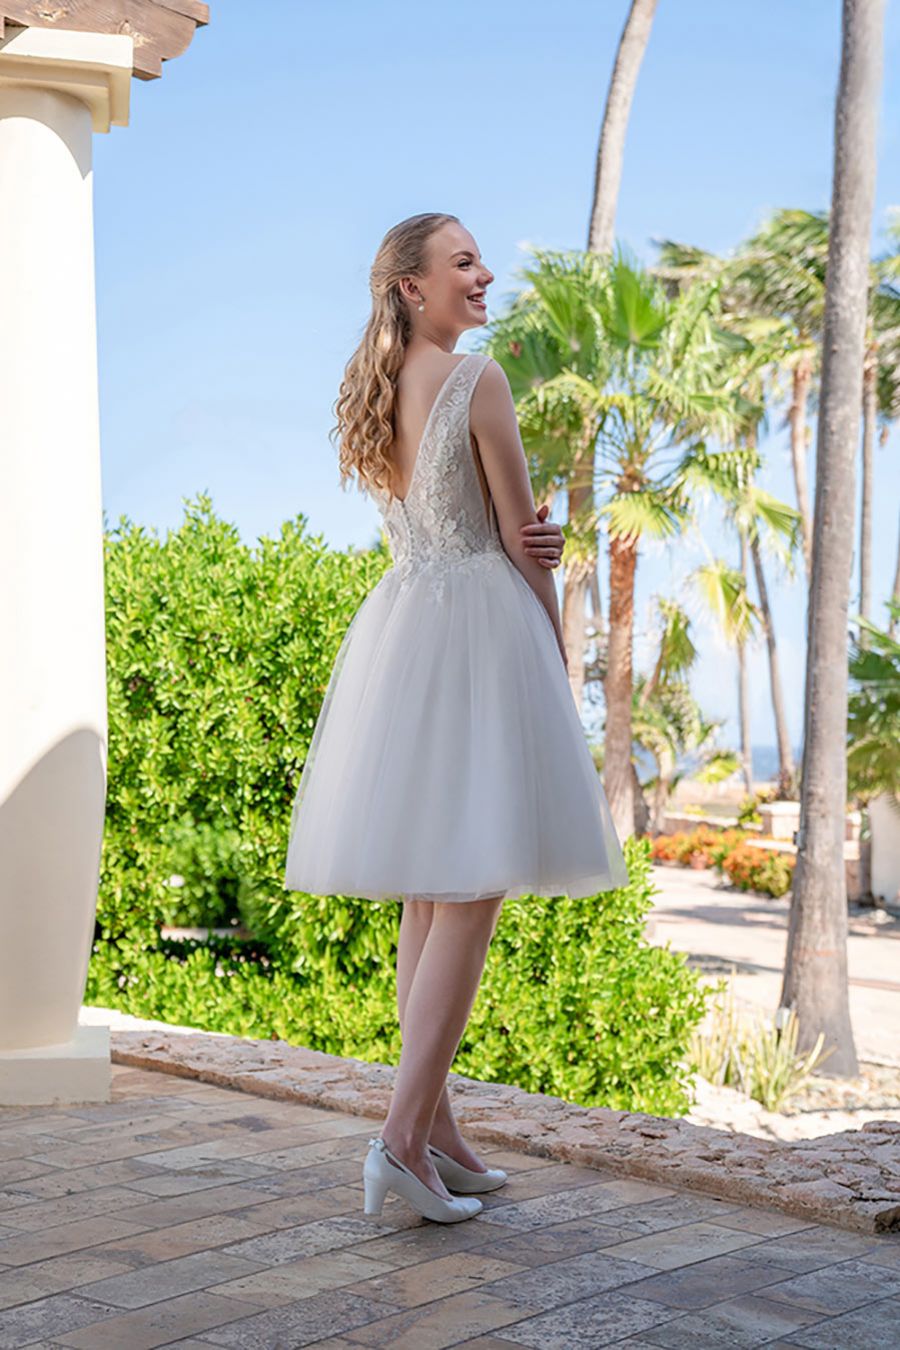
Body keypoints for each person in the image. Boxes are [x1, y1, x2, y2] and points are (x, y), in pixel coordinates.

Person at [284, 212, 628, 1224]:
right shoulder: (478, 379)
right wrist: (556, 652)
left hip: (404, 628)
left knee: (431, 894)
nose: (485, 274)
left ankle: (436, 1131)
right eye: (464, 262)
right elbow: (521, 539)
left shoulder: (376, 386)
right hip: (477, 628)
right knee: (471, 889)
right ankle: (399, 1139)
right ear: (412, 285)